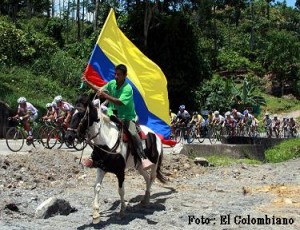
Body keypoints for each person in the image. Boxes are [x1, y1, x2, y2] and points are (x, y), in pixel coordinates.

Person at [82, 64, 153, 170]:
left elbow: (119, 102)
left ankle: (143, 158)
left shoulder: (128, 89)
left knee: (133, 132)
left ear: (125, 75)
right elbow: (99, 90)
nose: (116, 76)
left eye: (119, 74)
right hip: (112, 115)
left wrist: (105, 96)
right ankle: (94, 157)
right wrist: (87, 82)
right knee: (98, 127)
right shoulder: (111, 84)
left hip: (127, 118)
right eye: (115, 74)